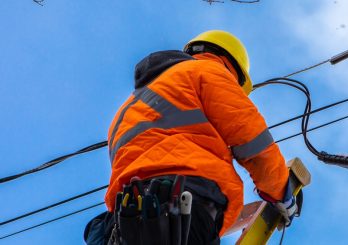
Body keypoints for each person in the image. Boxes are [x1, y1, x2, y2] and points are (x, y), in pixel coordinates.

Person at [93, 30, 297, 245]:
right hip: (184, 204)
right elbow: (254, 143)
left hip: (125, 220)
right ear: (230, 66)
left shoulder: (128, 108)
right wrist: (283, 194)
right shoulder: (207, 71)